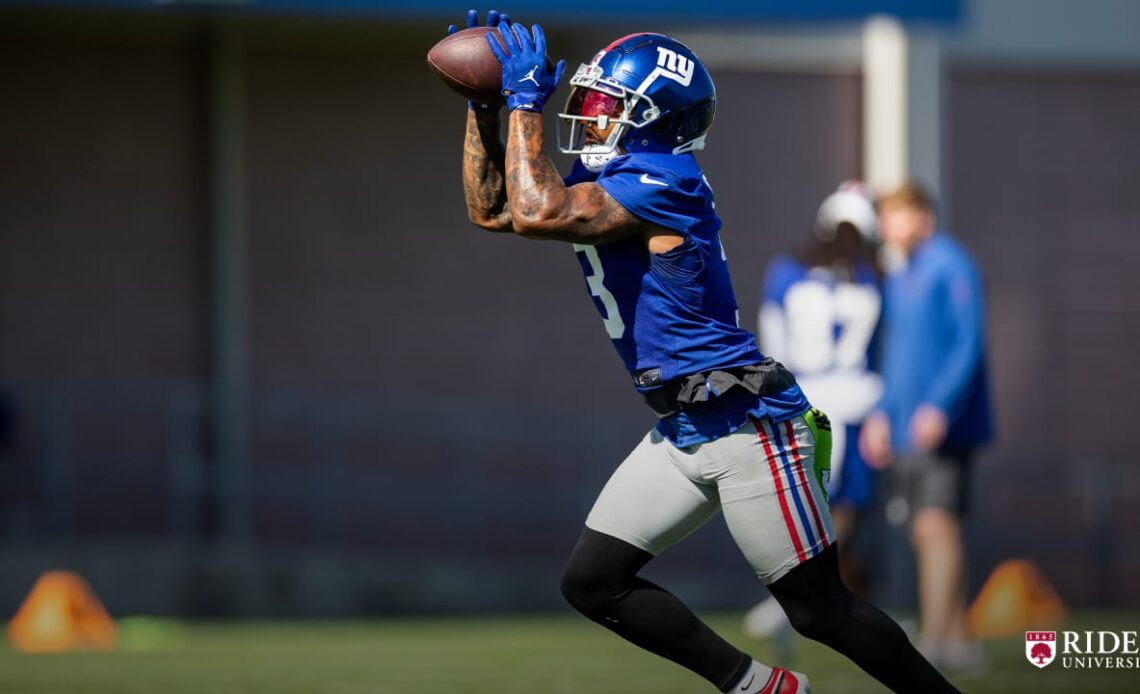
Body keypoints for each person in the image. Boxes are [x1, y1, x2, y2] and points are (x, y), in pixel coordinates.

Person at [455, 10, 957, 693]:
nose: (592, 113)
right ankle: (759, 686)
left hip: (747, 424)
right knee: (594, 581)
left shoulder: (667, 178)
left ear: (652, 116)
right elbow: (495, 208)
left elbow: (540, 211)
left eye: (608, 102)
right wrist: (487, 107)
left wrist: (519, 104)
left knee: (820, 611)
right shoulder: (621, 171)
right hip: (684, 427)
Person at [859, 181, 993, 674]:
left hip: (944, 427)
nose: (886, 226)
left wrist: (939, 406)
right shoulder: (901, 275)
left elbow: (968, 344)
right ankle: (958, 640)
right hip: (903, 428)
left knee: (936, 525)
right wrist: (881, 413)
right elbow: (896, 358)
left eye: (895, 215)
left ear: (921, 215)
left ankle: (936, 639)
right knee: (922, 530)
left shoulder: (950, 264)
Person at [743, 181, 884, 639]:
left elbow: (772, 343)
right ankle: (800, 601)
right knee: (840, 512)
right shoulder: (874, 275)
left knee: (811, 507)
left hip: (804, 400)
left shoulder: (787, 271)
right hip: (855, 404)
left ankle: (834, 604)